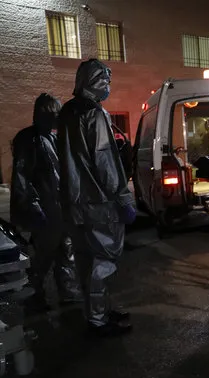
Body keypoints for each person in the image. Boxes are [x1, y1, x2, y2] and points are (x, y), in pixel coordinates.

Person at [57, 59, 136, 337]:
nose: (108, 87)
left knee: (85, 261)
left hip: (74, 204)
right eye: (105, 81)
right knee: (103, 262)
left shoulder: (67, 111)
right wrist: (123, 198)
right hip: (98, 203)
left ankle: (98, 311)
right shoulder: (94, 113)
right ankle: (98, 320)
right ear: (96, 82)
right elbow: (105, 160)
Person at [10, 93, 83, 313]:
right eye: (53, 114)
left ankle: (68, 291)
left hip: (59, 208)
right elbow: (22, 177)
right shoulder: (28, 139)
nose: (56, 119)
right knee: (42, 257)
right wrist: (32, 207)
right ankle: (34, 295)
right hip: (44, 209)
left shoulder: (52, 138)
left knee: (65, 250)